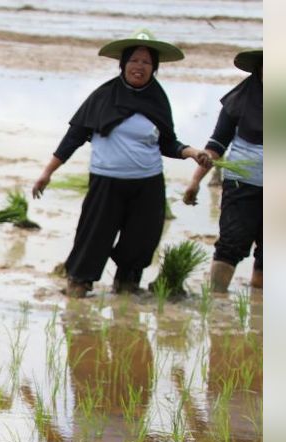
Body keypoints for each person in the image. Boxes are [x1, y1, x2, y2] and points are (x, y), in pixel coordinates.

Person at [32, 28, 211, 297]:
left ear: (154, 68)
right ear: (123, 64)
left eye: (147, 62)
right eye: (134, 60)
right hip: (106, 181)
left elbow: (167, 143)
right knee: (93, 236)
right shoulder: (103, 97)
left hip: (147, 184)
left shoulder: (158, 100)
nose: (139, 66)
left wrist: (191, 152)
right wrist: (47, 172)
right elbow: (74, 137)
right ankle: (79, 284)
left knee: (141, 239)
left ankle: (127, 286)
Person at [182, 49, 263, 293]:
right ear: (258, 69)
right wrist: (195, 181)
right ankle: (216, 301)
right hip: (241, 185)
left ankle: (260, 302)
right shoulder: (238, 101)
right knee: (230, 243)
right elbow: (216, 145)